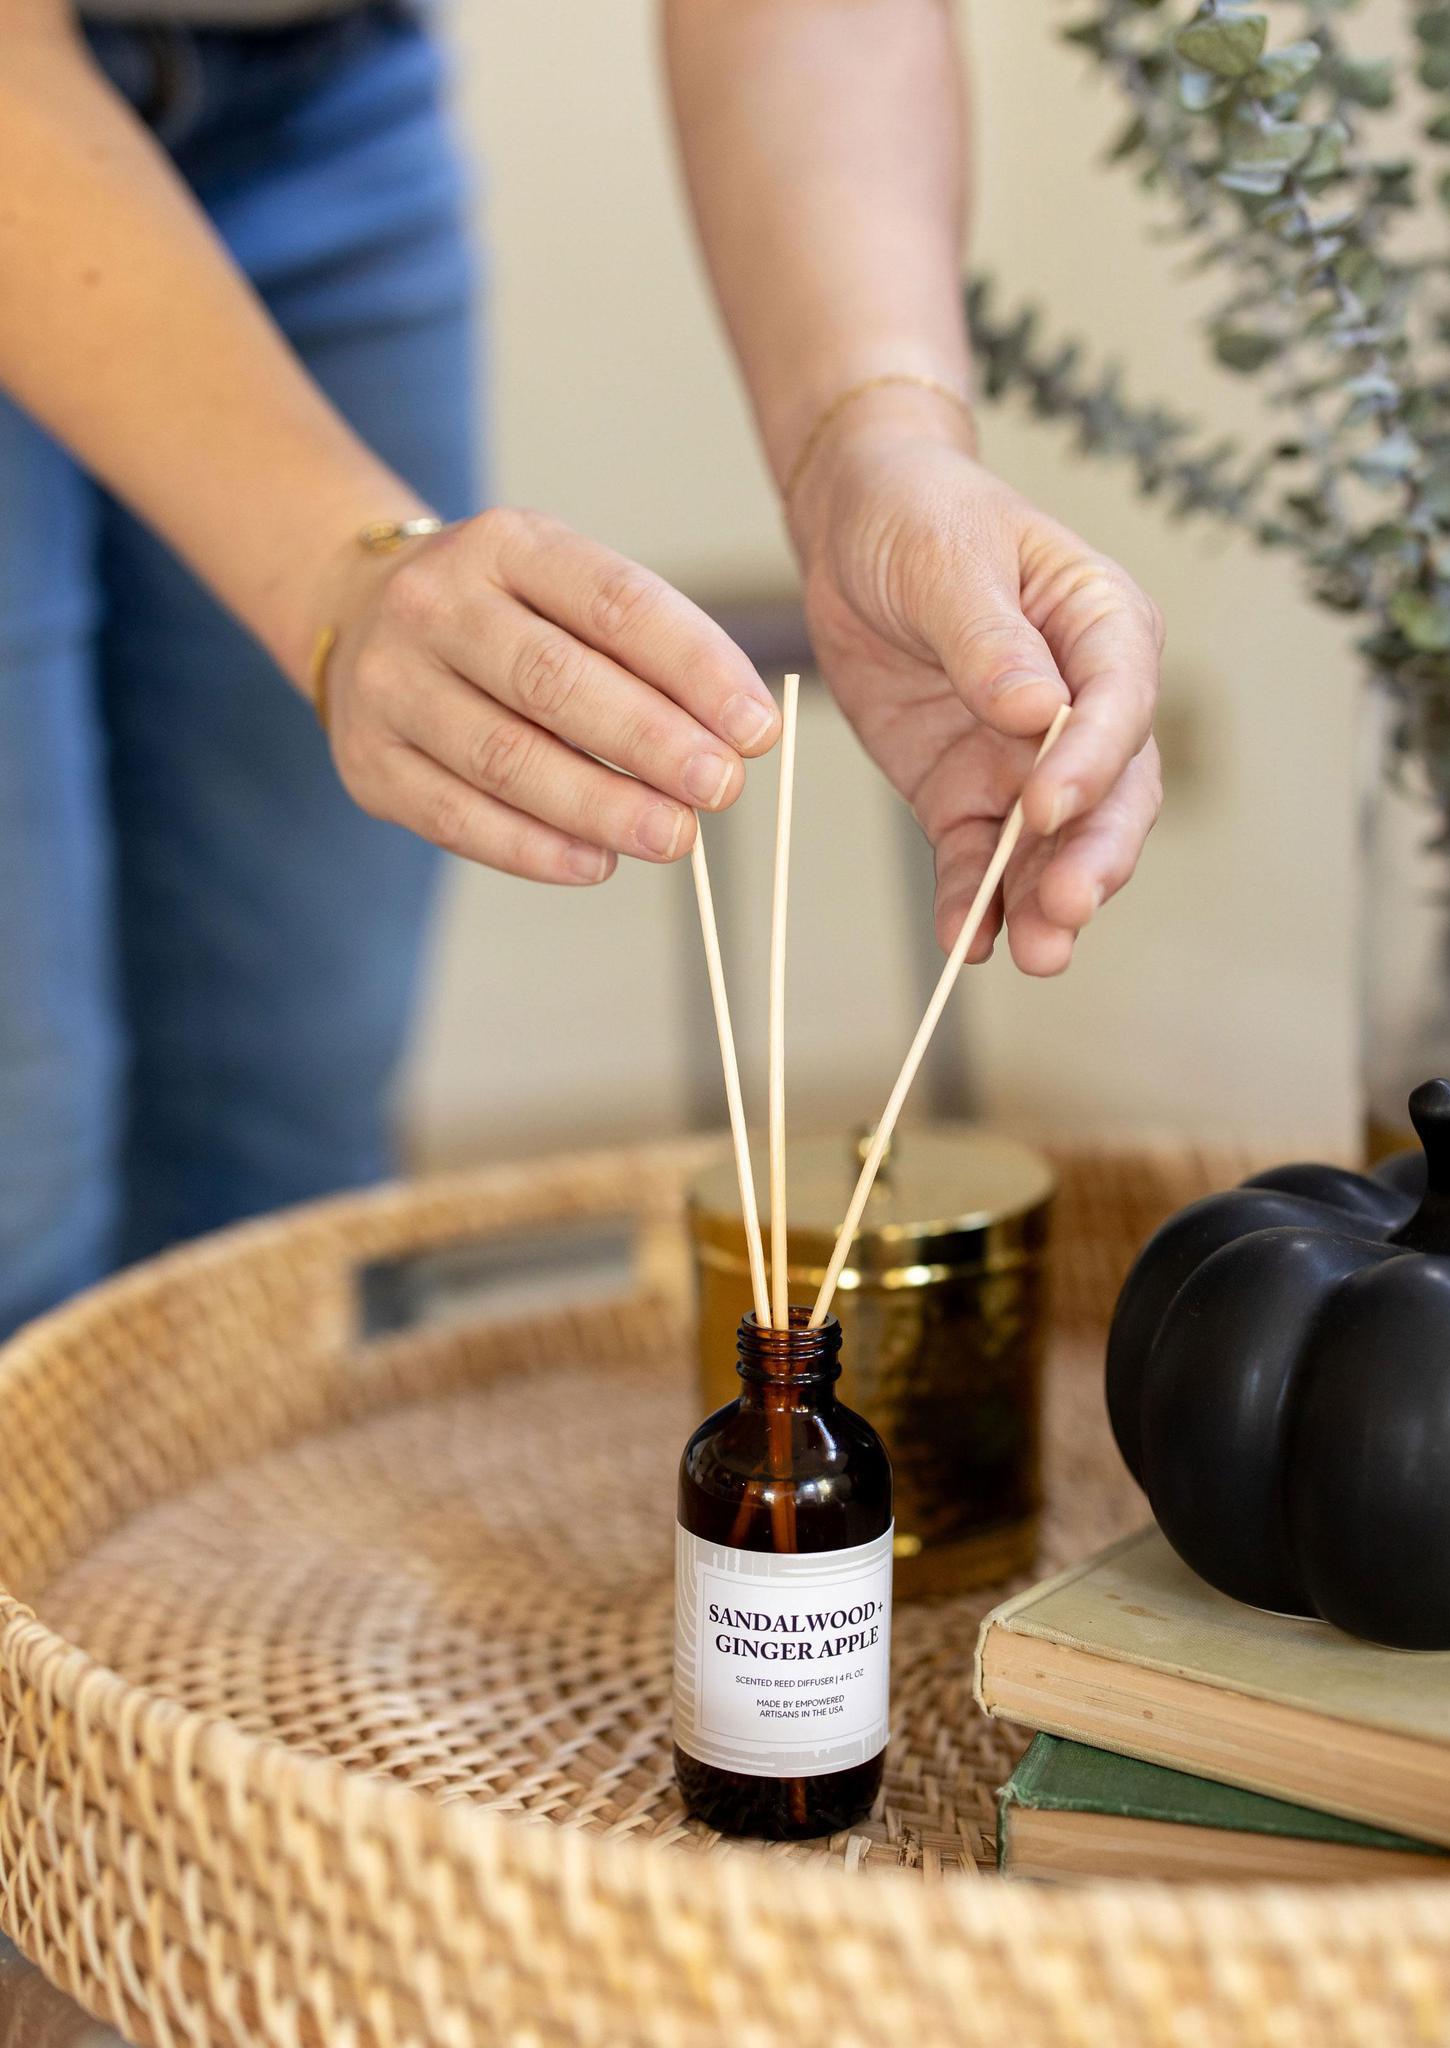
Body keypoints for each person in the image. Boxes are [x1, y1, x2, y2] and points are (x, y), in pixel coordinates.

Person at [0, 0, 1163, 1337]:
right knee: (15, 1163)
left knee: (283, 1141)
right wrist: (333, 566)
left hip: (326, 88)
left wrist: (881, 443)